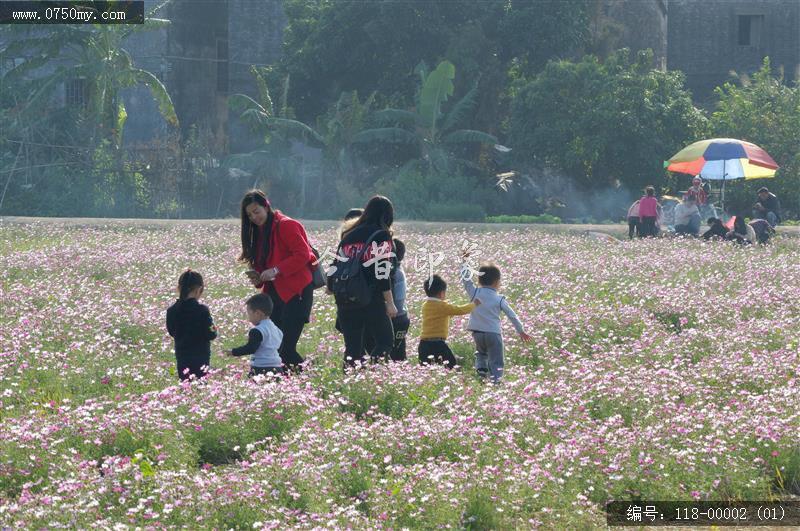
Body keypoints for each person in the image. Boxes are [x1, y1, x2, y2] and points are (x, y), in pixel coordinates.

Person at [239, 190, 316, 373]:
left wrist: (276, 270)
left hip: (296, 292)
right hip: (274, 296)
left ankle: (306, 380)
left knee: (285, 349)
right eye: (249, 215)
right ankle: (293, 382)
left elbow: (303, 255)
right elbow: (264, 267)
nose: (254, 217)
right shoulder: (259, 233)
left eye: (256, 211)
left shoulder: (287, 225)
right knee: (276, 348)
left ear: (266, 205)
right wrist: (258, 276)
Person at [331, 195, 397, 368]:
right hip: (371, 297)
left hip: (345, 296)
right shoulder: (381, 236)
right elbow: (382, 273)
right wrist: (390, 303)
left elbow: (335, 265)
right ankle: (371, 373)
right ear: (387, 216)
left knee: (352, 349)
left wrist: (332, 287)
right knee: (385, 341)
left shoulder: (348, 235)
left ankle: (349, 381)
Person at [460, 261, 532, 383]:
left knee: (481, 353)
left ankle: (482, 369)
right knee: (496, 359)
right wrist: (521, 331)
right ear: (497, 282)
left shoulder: (475, 293)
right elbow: (512, 316)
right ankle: (496, 380)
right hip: (493, 334)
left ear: (479, 280)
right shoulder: (499, 299)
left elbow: (466, 281)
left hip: (477, 333)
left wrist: (465, 264)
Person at [166, 270, 218, 381]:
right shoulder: (202, 310)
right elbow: (212, 333)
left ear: (179, 288)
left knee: (186, 384)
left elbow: (171, 331)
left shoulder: (171, 310)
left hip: (182, 355)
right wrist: (214, 328)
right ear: (200, 289)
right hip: (201, 356)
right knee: (200, 384)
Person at [418, 274, 479, 368]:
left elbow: (437, 316)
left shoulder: (425, 305)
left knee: (426, 368)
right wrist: (474, 304)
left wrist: (449, 314)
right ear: (441, 293)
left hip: (424, 344)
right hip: (438, 344)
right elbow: (460, 310)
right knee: (452, 365)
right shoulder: (442, 306)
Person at [364, 238, 409, 361]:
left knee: (386, 350)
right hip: (403, 317)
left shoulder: (392, 274)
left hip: (393, 317)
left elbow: (395, 299)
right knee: (398, 353)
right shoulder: (399, 271)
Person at [228, 293, 284, 378]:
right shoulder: (277, 330)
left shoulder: (257, 330)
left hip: (260, 368)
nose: (249, 318)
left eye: (249, 314)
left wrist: (233, 352)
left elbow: (251, 348)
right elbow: (279, 347)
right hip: (277, 368)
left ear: (258, 313)